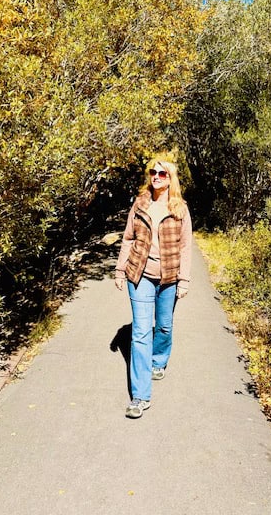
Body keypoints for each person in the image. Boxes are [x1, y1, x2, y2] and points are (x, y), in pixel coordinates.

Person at [115, 157, 192, 418]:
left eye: (162, 173)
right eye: (153, 172)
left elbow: (185, 247)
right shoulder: (140, 204)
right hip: (140, 276)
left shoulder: (180, 209)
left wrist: (184, 280)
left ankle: (158, 360)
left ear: (171, 179)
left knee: (164, 325)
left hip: (169, 277)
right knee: (139, 333)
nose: (156, 176)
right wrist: (119, 270)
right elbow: (128, 238)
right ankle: (140, 396)